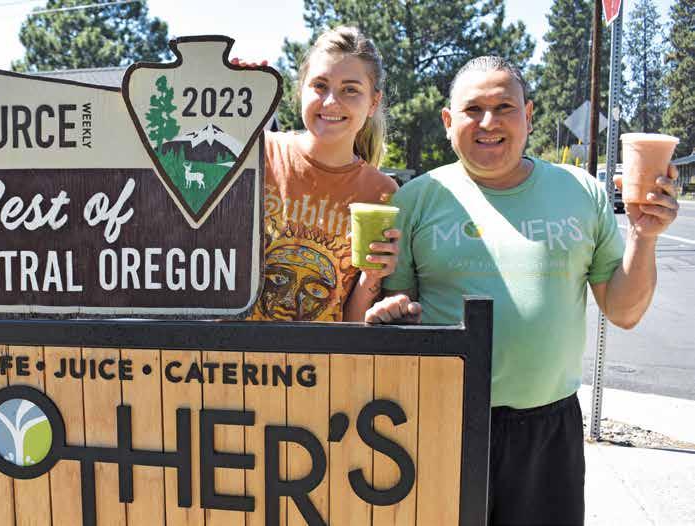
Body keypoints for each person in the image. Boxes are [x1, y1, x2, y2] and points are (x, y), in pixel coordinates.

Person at [367, 56, 679, 525]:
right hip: (438, 421)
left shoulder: (581, 192)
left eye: (504, 108)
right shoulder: (415, 199)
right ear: (448, 121)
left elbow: (624, 311)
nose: (488, 122)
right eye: (473, 109)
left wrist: (644, 235)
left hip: (548, 431)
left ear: (528, 115)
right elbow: (397, 310)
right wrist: (391, 310)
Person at [240, 26, 400, 322]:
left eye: (350, 89)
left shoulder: (382, 193)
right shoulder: (257, 152)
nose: (330, 102)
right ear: (301, 89)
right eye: (320, 85)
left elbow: (352, 324)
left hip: (323, 352)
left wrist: (371, 278)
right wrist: (225, 110)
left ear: (373, 103)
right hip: (234, 348)